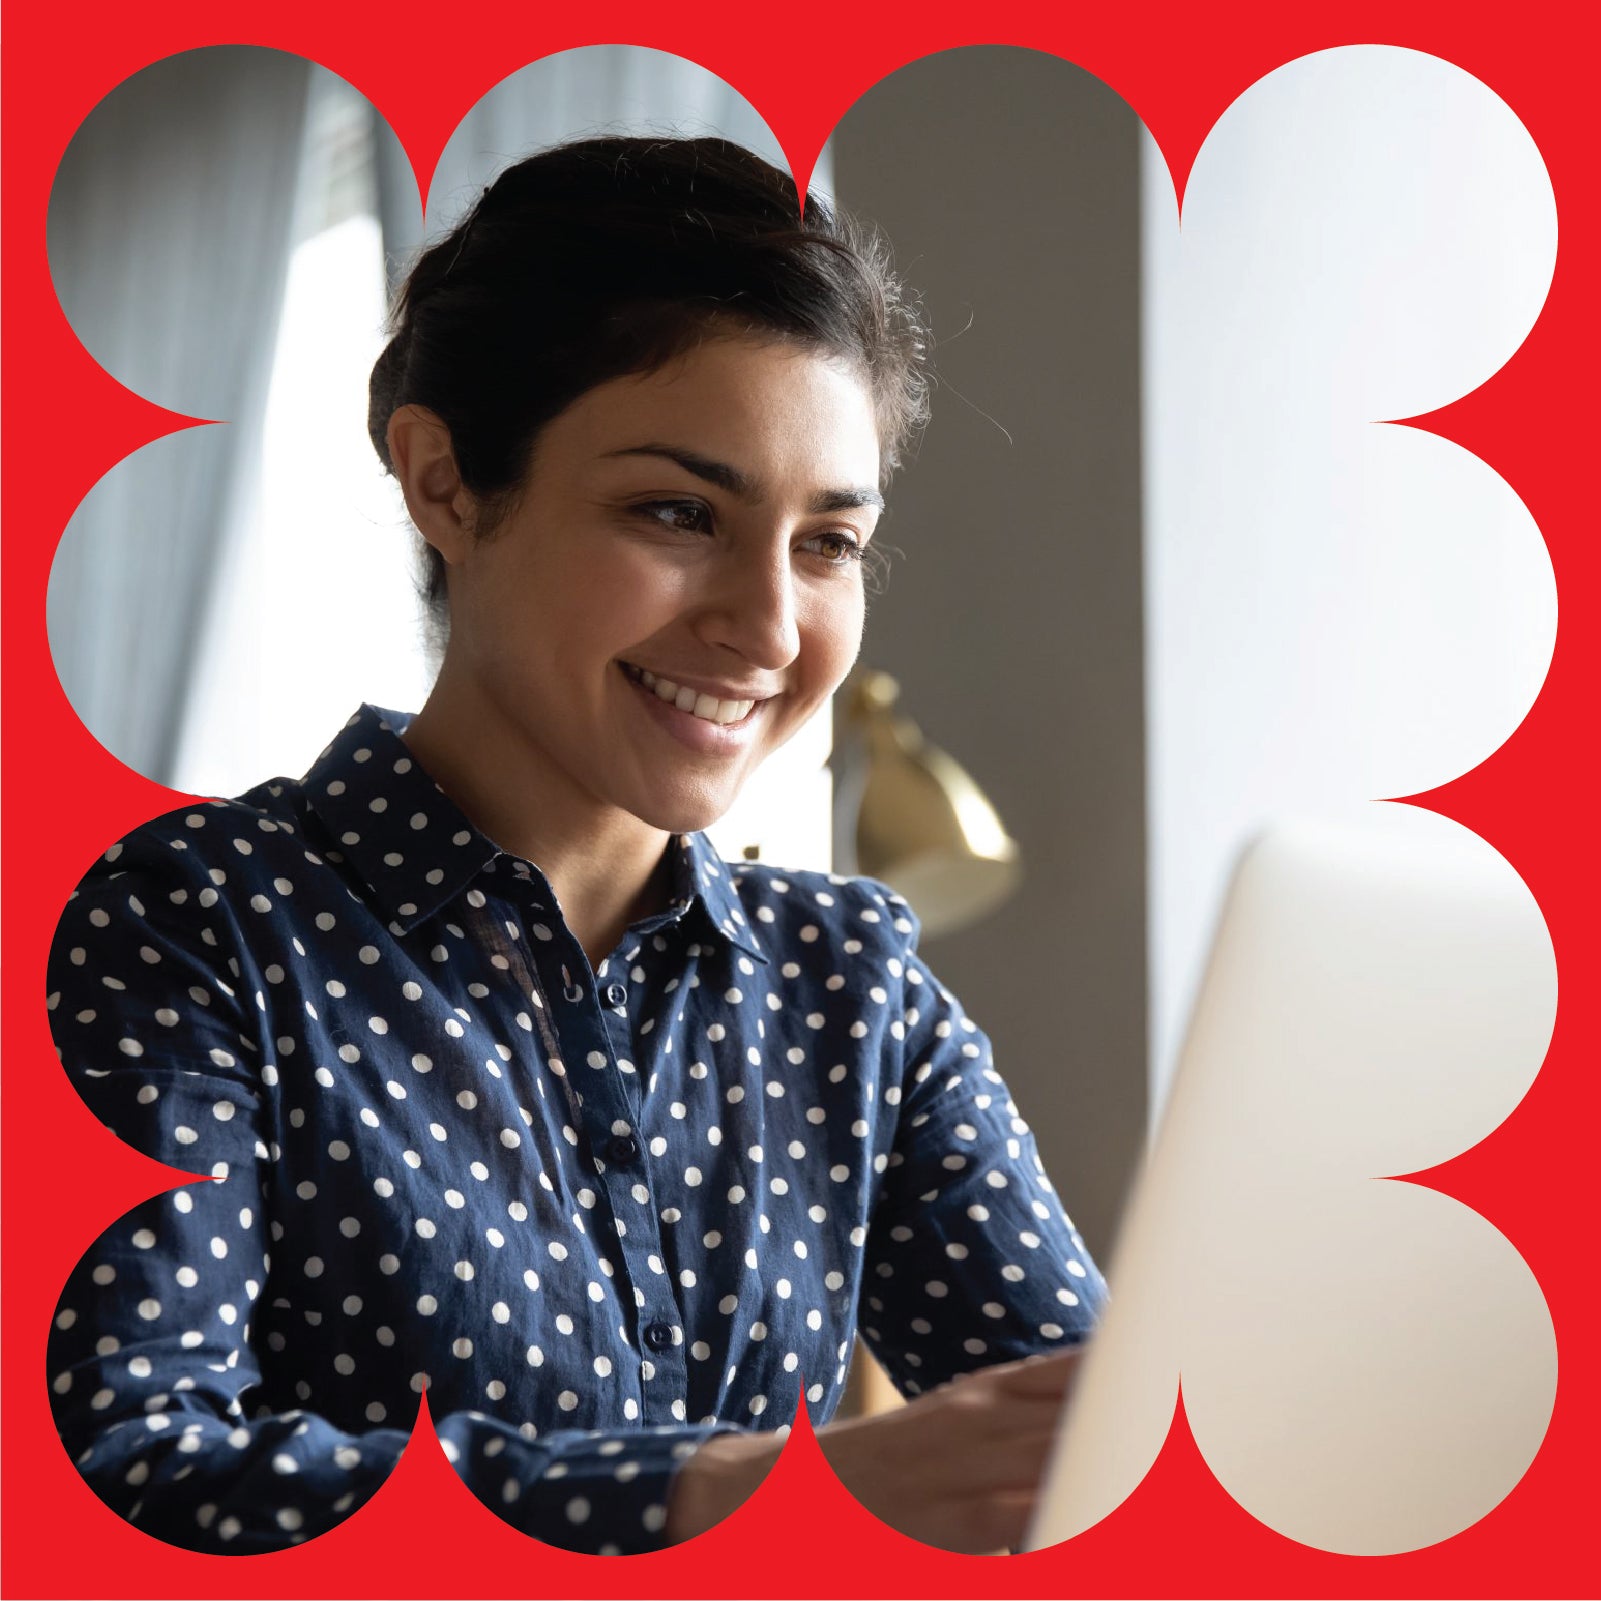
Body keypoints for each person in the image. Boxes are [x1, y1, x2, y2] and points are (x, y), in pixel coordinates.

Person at [46, 135, 1108, 1557]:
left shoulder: (849, 981)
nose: (772, 628)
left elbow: (1073, 1443)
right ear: (443, 481)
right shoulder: (191, 926)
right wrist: (714, 1493)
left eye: (827, 543)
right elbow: (127, 1474)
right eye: (677, 513)